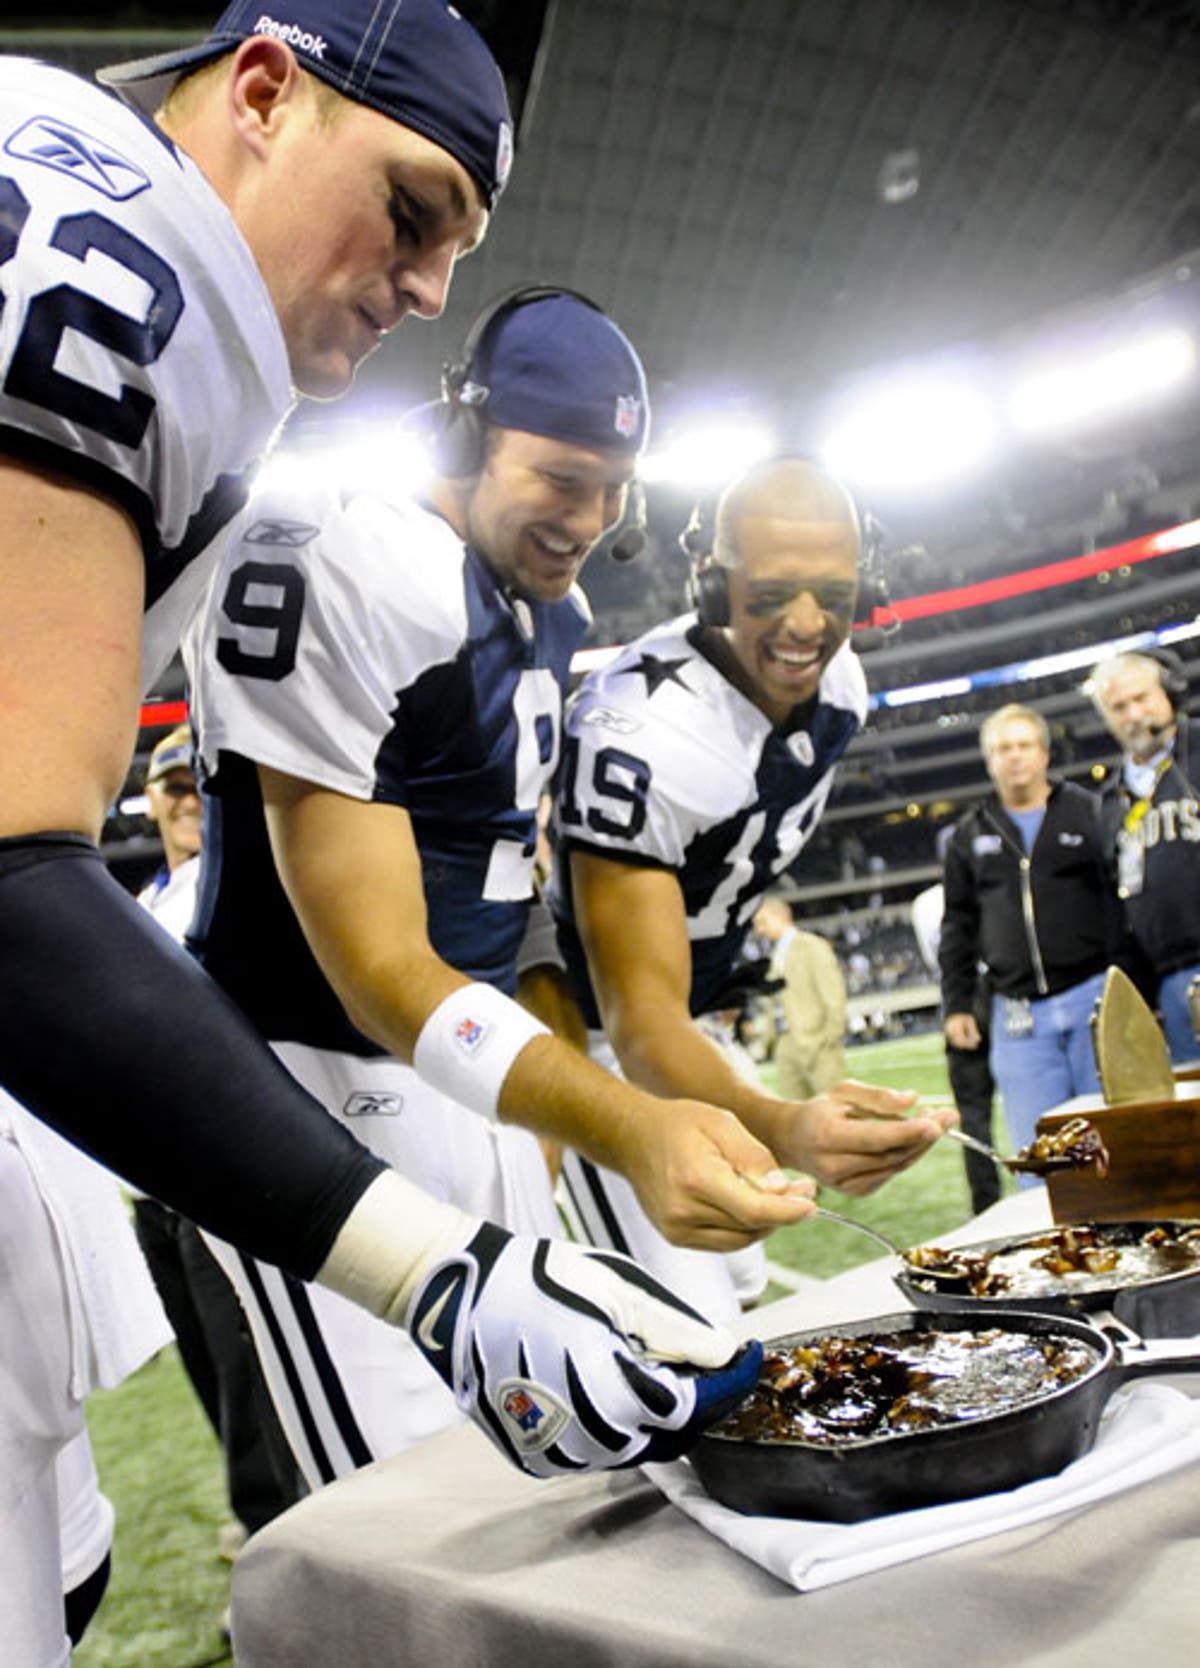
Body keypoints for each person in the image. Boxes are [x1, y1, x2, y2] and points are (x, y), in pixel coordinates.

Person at [0, 13, 754, 1663]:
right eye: (409, 211)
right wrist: (441, 1263)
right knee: (427, 1578)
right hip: (321, 1086)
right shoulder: (135, 257)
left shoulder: (525, 609)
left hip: (410, 1119)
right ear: (265, 86)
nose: (424, 287)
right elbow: (11, 873)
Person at [182, 288, 816, 1482]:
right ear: (469, 437)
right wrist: (620, 1119)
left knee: (555, 1462)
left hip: (465, 1068)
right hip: (318, 1087)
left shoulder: (546, 606)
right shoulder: (345, 556)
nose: (592, 516)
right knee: (407, 1494)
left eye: (616, 484)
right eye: (564, 477)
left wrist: (537, 1113)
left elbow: (499, 871)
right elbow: (376, 977)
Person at [549, 458, 956, 1321]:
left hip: (686, 1012)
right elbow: (636, 1021)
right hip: (590, 1036)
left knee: (737, 1274)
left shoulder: (839, 687)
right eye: (771, 594)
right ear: (713, 581)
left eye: (833, 594)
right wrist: (786, 1122)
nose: (807, 625)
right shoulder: (640, 736)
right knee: (677, 1320)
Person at [131, 726, 300, 1550]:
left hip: (213, 1176)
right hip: (151, 1191)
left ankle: (287, 1537)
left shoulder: (223, 887)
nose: (186, 798)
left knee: (250, 1377)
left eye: (195, 783)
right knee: (211, 1369)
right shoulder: (137, 902)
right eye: (171, 786)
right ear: (150, 801)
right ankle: (263, 1524)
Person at [939, 703, 1117, 1163]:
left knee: (1112, 1138)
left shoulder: (1088, 812)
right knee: (1038, 1155)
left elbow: (1118, 903)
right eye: (1002, 748)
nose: (1014, 756)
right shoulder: (967, 835)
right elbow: (957, 924)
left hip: (1094, 996)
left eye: (1023, 745)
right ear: (989, 760)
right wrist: (957, 1004)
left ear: (1044, 754)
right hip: (1017, 1015)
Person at [1091, 648, 1200, 1063]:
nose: (1133, 713)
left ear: (1169, 694)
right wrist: (1138, 991)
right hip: (1170, 983)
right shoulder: (1109, 803)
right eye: (1119, 706)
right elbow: (1116, 916)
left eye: (1142, 698)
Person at [911, 837, 1001, 1215]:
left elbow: (935, 958)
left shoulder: (924, 903)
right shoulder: (987, 887)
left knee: (973, 1112)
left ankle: (985, 1202)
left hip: (956, 997)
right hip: (997, 991)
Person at [751, 896, 847, 1099]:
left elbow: (833, 995)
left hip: (816, 1042)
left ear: (781, 916)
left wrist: (829, 1039)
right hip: (785, 1043)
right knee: (798, 1118)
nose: (759, 930)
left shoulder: (812, 946)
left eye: (762, 921)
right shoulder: (775, 954)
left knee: (833, 1111)